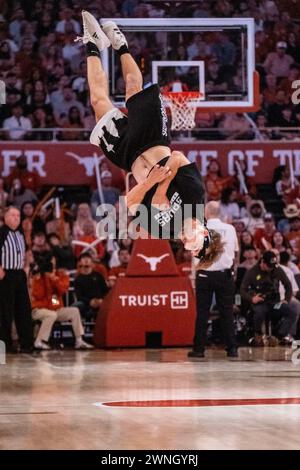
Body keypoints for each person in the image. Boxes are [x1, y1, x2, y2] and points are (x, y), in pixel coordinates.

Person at [77, 11, 223, 264]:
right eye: (196, 248)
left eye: (191, 252)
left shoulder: (163, 231)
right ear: (205, 233)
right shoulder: (195, 195)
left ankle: (92, 44)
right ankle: (120, 45)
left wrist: (147, 185)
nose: (189, 247)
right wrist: (160, 190)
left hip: (127, 155)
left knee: (98, 101)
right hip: (154, 139)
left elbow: (130, 202)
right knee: (133, 85)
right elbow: (177, 157)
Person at [187, 201, 239, 359]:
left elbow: (193, 254)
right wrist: (232, 269)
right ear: (219, 212)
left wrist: (193, 276)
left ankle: (199, 350)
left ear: (206, 213)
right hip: (224, 275)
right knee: (227, 313)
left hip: (204, 275)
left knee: (202, 313)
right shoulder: (230, 229)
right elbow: (236, 252)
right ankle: (232, 349)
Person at [31, 256, 93, 350]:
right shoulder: (38, 277)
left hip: (55, 309)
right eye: (48, 262)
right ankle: (39, 341)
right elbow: (37, 295)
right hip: (38, 309)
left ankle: (79, 341)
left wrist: (54, 279)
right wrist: (39, 278)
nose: (51, 264)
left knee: (74, 311)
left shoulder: (61, 275)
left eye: (52, 262)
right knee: (51, 315)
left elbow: (63, 290)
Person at [240, 251, 297, 346]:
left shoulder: (277, 269)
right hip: (260, 302)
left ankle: (279, 336)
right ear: (263, 263)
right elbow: (242, 290)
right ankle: (257, 334)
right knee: (259, 312)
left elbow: (288, 285)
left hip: (275, 303)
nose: (271, 268)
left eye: (273, 266)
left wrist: (286, 300)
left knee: (291, 312)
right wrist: (252, 298)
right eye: (269, 266)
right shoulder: (252, 272)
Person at [0, 206, 33, 353]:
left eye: (18, 216)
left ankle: (27, 344)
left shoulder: (20, 233)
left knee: (24, 309)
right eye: (13, 215)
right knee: (5, 310)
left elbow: (26, 252)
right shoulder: (1, 232)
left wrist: (26, 267)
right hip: (6, 274)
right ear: (5, 217)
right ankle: (5, 344)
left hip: (19, 274)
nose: (16, 218)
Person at [74, 253, 109, 320]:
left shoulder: (98, 276)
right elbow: (79, 296)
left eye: (88, 259)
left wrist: (101, 300)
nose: (86, 261)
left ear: (92, 262)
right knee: (77, 305)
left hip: (100, 301)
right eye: (84, 259)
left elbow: (105, 291)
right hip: (86, 303)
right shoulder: (78, 279)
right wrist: (90, 301)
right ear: (80, 263)